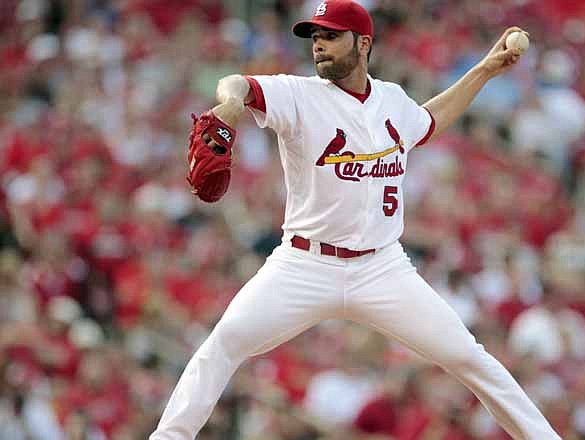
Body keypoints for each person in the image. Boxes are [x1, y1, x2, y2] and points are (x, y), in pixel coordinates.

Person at [151, 1, 561, 439]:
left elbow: (429, 121)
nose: (319, 46)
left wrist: (484, 70)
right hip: (304, 265)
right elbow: (236, 83)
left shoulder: (392, 100)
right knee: (225, 342)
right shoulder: (298, 94)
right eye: (315, 38)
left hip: (381, 268)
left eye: (330, 36)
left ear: (363, 43)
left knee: (468, 357)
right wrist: (230, 105)